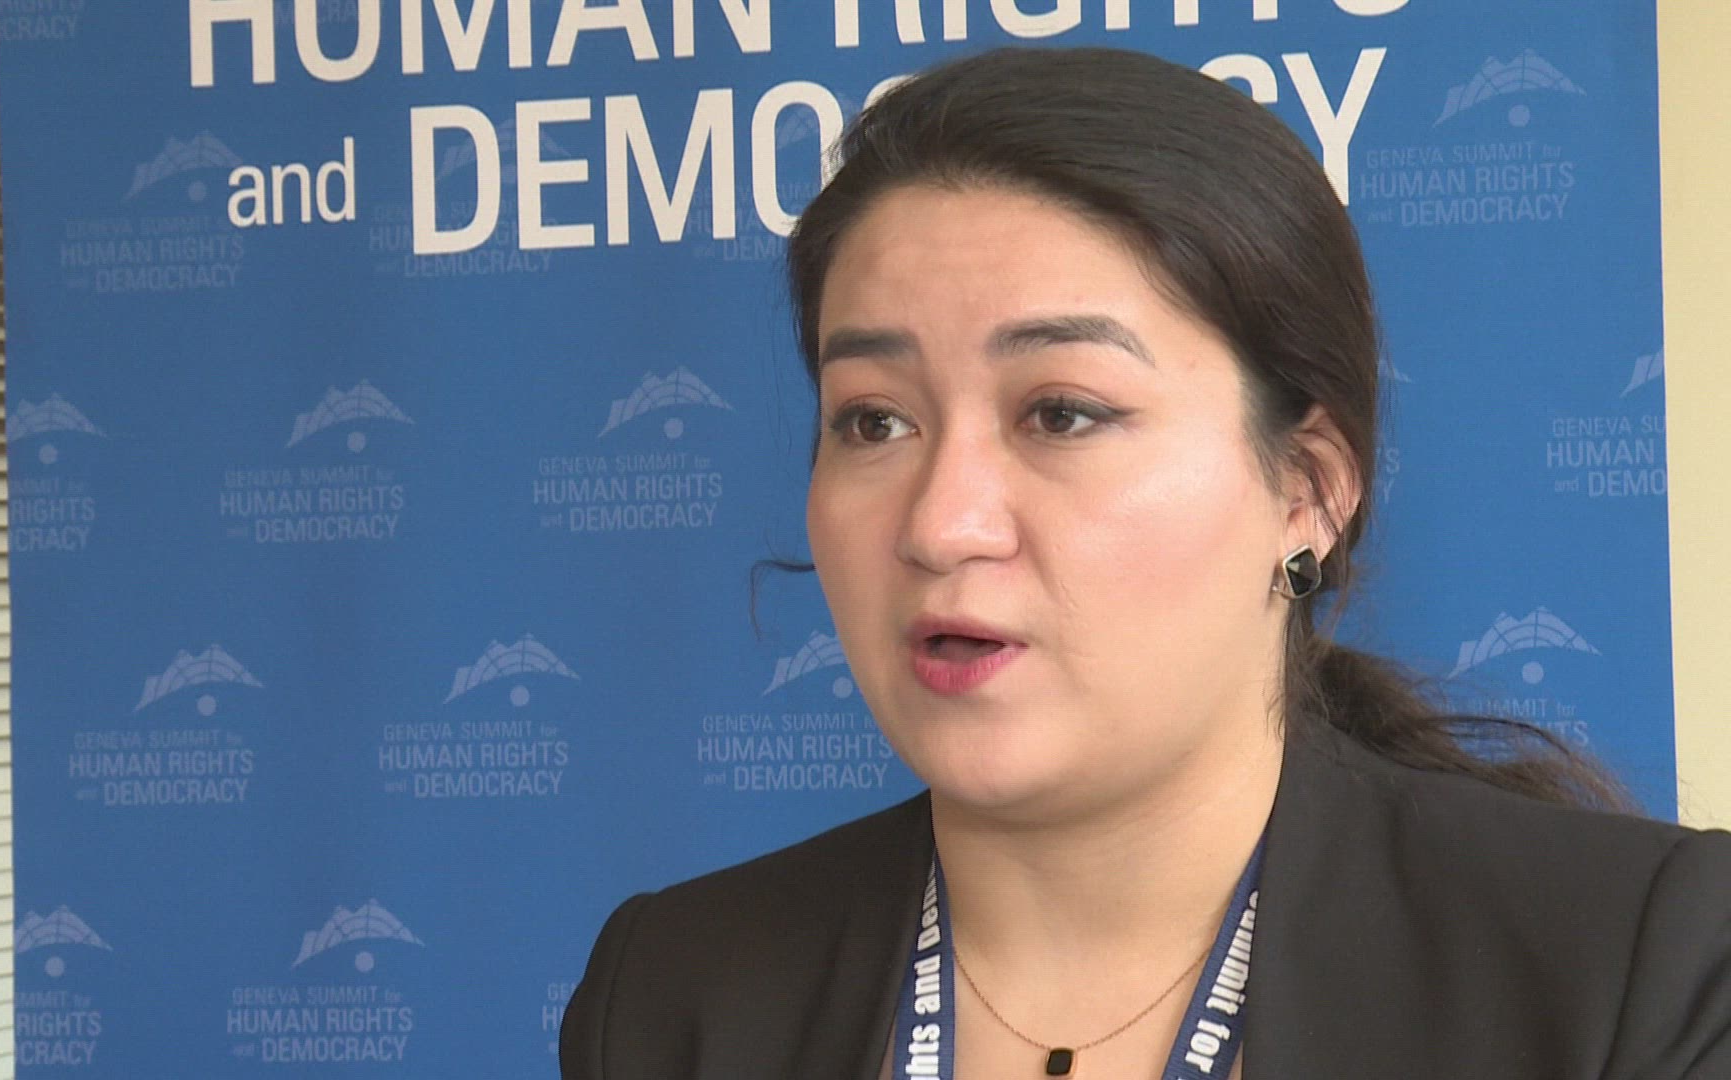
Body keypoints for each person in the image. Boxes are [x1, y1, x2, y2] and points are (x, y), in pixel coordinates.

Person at [558, 45, 1731, 1080]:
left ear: (1307, 489)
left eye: (1062, 413)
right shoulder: (674, 992)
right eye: (875, 420)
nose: (943, 524)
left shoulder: (1632, 966)